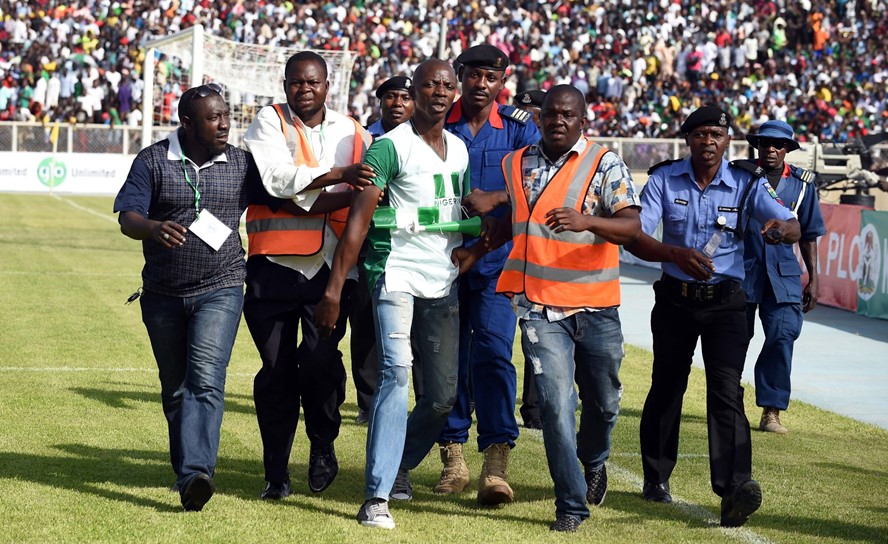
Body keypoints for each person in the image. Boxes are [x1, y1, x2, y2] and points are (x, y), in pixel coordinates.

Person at [455, 85, 641, 532]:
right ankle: (571, 506)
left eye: (568, 115)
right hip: (539, 305)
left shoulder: (605, 163)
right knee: (556, 406)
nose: (558, 121)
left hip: (595, 304)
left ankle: (593, 459)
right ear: (539, 118)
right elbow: (515, 222)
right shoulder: (516, 163)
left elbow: (632, 226)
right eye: (551, 114)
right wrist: (476, 252)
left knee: (605, 402)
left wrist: (587, 220)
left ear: (582, 121)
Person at [625, 106, 801, 528]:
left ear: (727, 142)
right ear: (688, 139)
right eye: (701, 134)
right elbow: (637, 235)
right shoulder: (664, 179)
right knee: (667, 386)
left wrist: (779, 231)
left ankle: (735, 489)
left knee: (726, 392)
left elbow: (792, 223)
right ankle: (656, 478)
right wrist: (673, 254)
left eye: (716, 135)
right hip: (675, 300)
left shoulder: (746, 183)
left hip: (727, 304)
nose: (708, 142)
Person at [314, 58, 469, 529]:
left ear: (455, 92)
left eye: (446, 85)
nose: (438, 92)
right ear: (414, 91)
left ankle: (400, 462)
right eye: (429, 84)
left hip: (442, 281)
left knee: (441, 397)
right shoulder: (388, 148)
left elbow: (457, 214)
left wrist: (475, 243)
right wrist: (335, 289)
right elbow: (358, 222)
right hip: (394, 275)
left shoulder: (460, 150)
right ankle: (376, 496)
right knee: (396, 375)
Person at [113, 83, 260, 511]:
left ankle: (197, 472)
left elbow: (284, 195)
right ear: (188, 124)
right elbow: (128, 217)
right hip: (162, 294)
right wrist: (153, 227)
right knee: (175, 389)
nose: (225, 124)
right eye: (214, 118)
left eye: (226, 115)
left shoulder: (241, 163)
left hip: (222, 286)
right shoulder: (153, 160)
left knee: (206, 378)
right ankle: (188, 476)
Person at [241, 51, 373, 500]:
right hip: (274, 268)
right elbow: (277, 179)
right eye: (297, 82)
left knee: (319, 364)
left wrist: (343, 192)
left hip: (331, 271)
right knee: (276, 373)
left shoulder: (354, 131)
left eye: (313, 82)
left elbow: (370, 189)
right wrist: (340, 178)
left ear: (327, 86)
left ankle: (322, 444)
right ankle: (276, 473)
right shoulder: (269, 121)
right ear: (285, 85)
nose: (305, 89)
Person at [437, 43, 541, 505]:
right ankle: (453, 457)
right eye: (474, 75)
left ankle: (496, 462)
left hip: (497, 265)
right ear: (460, 75)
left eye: (491, 77)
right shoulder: (437, 119)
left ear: (503, 81)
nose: (482, 84)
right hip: (441, 261)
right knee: (447, 360)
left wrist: (496, 199)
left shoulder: (520, 129)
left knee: (495, 356)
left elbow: (539, 185)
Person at [744, 120, 826, 434]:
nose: (771, 149)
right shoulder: (741, 176)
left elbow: (809, 234)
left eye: (778, 145)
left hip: (784, 274)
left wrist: (814, 278)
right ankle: (727, 402)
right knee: (733, 339)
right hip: (742, 270)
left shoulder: (803, 185)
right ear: (757, 146)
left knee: (783, 335)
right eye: (765, 143)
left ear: (787, 149)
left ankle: (771, 410)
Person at [352, 75, 417, 425]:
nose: (398, 103)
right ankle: (367, 402)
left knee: (417, 329)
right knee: (365, 322)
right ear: (380, 101)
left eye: (405, 97)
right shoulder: (363, 138)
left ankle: (419, 401)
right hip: (370, 243)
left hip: (413, 244)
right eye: (391, 96)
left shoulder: (425, 141)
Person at [512, 88, 546, 431]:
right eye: (528, 116)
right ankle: (474, 395)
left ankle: (534, 408)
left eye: (537, 115)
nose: (531, 122)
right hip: (501, 253)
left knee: (537, 334)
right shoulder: (512, 145)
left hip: (536, 258)